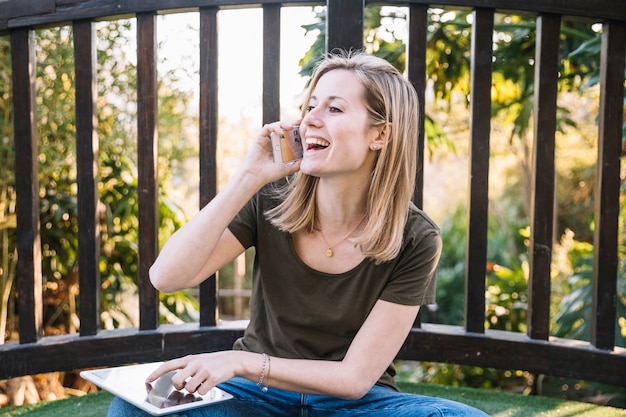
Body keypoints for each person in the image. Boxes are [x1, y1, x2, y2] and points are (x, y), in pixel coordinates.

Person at [106, 50, 489, 416]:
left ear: (381, 135)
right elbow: (167, 277)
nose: (310, 120)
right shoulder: (270, 199)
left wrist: (241, 361)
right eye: (310, 106)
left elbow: (353, 379)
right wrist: (248, 178)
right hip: (254, 397)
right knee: (132, 410)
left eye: (334, 108)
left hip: (353, 404)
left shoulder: (416, 237)